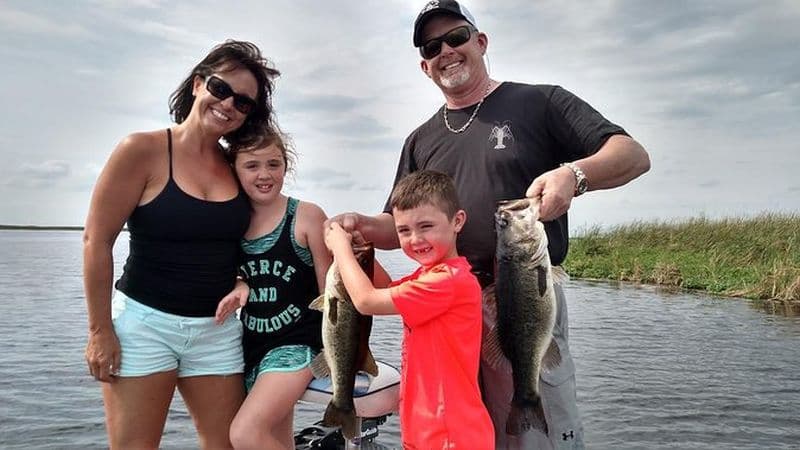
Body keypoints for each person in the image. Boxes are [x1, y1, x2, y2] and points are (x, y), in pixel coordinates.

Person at [327, 1, 651, 448]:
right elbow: (397, 225)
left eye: (456, 37)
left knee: (535, 434)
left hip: (520, 293)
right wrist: (359, 227)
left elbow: (632, 155)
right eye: (432, 47)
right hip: (443, 306)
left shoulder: (539, 102)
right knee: (460, 429)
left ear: (480, 42)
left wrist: (574, 176)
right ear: (424, 66)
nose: (446, 51)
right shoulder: (420, 140)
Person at [83, 40, 281, 449]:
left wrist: (243, 281)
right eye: (221, 88)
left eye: (243, 102)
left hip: (217, 332)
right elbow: (96, 241)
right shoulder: (141, 150)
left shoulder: (237, 165)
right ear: (197, 84)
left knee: (228, 444)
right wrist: (100, 331)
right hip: (145, 326)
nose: (228, 105)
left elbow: (254, 240)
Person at [324, 170, 495, 449]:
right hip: (423, 428)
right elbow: (384, 288)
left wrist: (341, 250)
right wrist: (361, 251)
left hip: (450, 434)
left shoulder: (448, 282)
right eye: (404, 230)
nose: (415, 239)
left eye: (426, 226)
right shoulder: (428, 276)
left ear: (457, 221)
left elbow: (366, 301)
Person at [213, 132, 332, 450]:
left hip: (297, 345)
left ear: (285, 167)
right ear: (234, 170)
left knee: (245, 434)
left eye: (273, 164)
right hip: (251, 345)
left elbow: (333, 294)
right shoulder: (231, 222)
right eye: (252, 165)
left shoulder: (306, 216)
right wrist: (239, 282)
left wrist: (338, 352)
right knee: (275, 439)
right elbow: (225, 271)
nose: (264, 174)